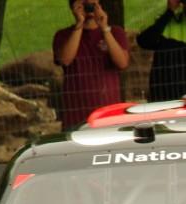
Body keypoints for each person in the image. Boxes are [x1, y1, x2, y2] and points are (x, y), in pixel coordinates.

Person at [53, 0, 130, 130]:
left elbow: (122, 63)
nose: (89, 10)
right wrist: (79, 25)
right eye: (84, 5)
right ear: (74, 7)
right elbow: (65, 60)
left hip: (108, 114)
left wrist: (105, 29)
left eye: (92, 5)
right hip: (76, 116)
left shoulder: (115, 32)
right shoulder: (63, 35)